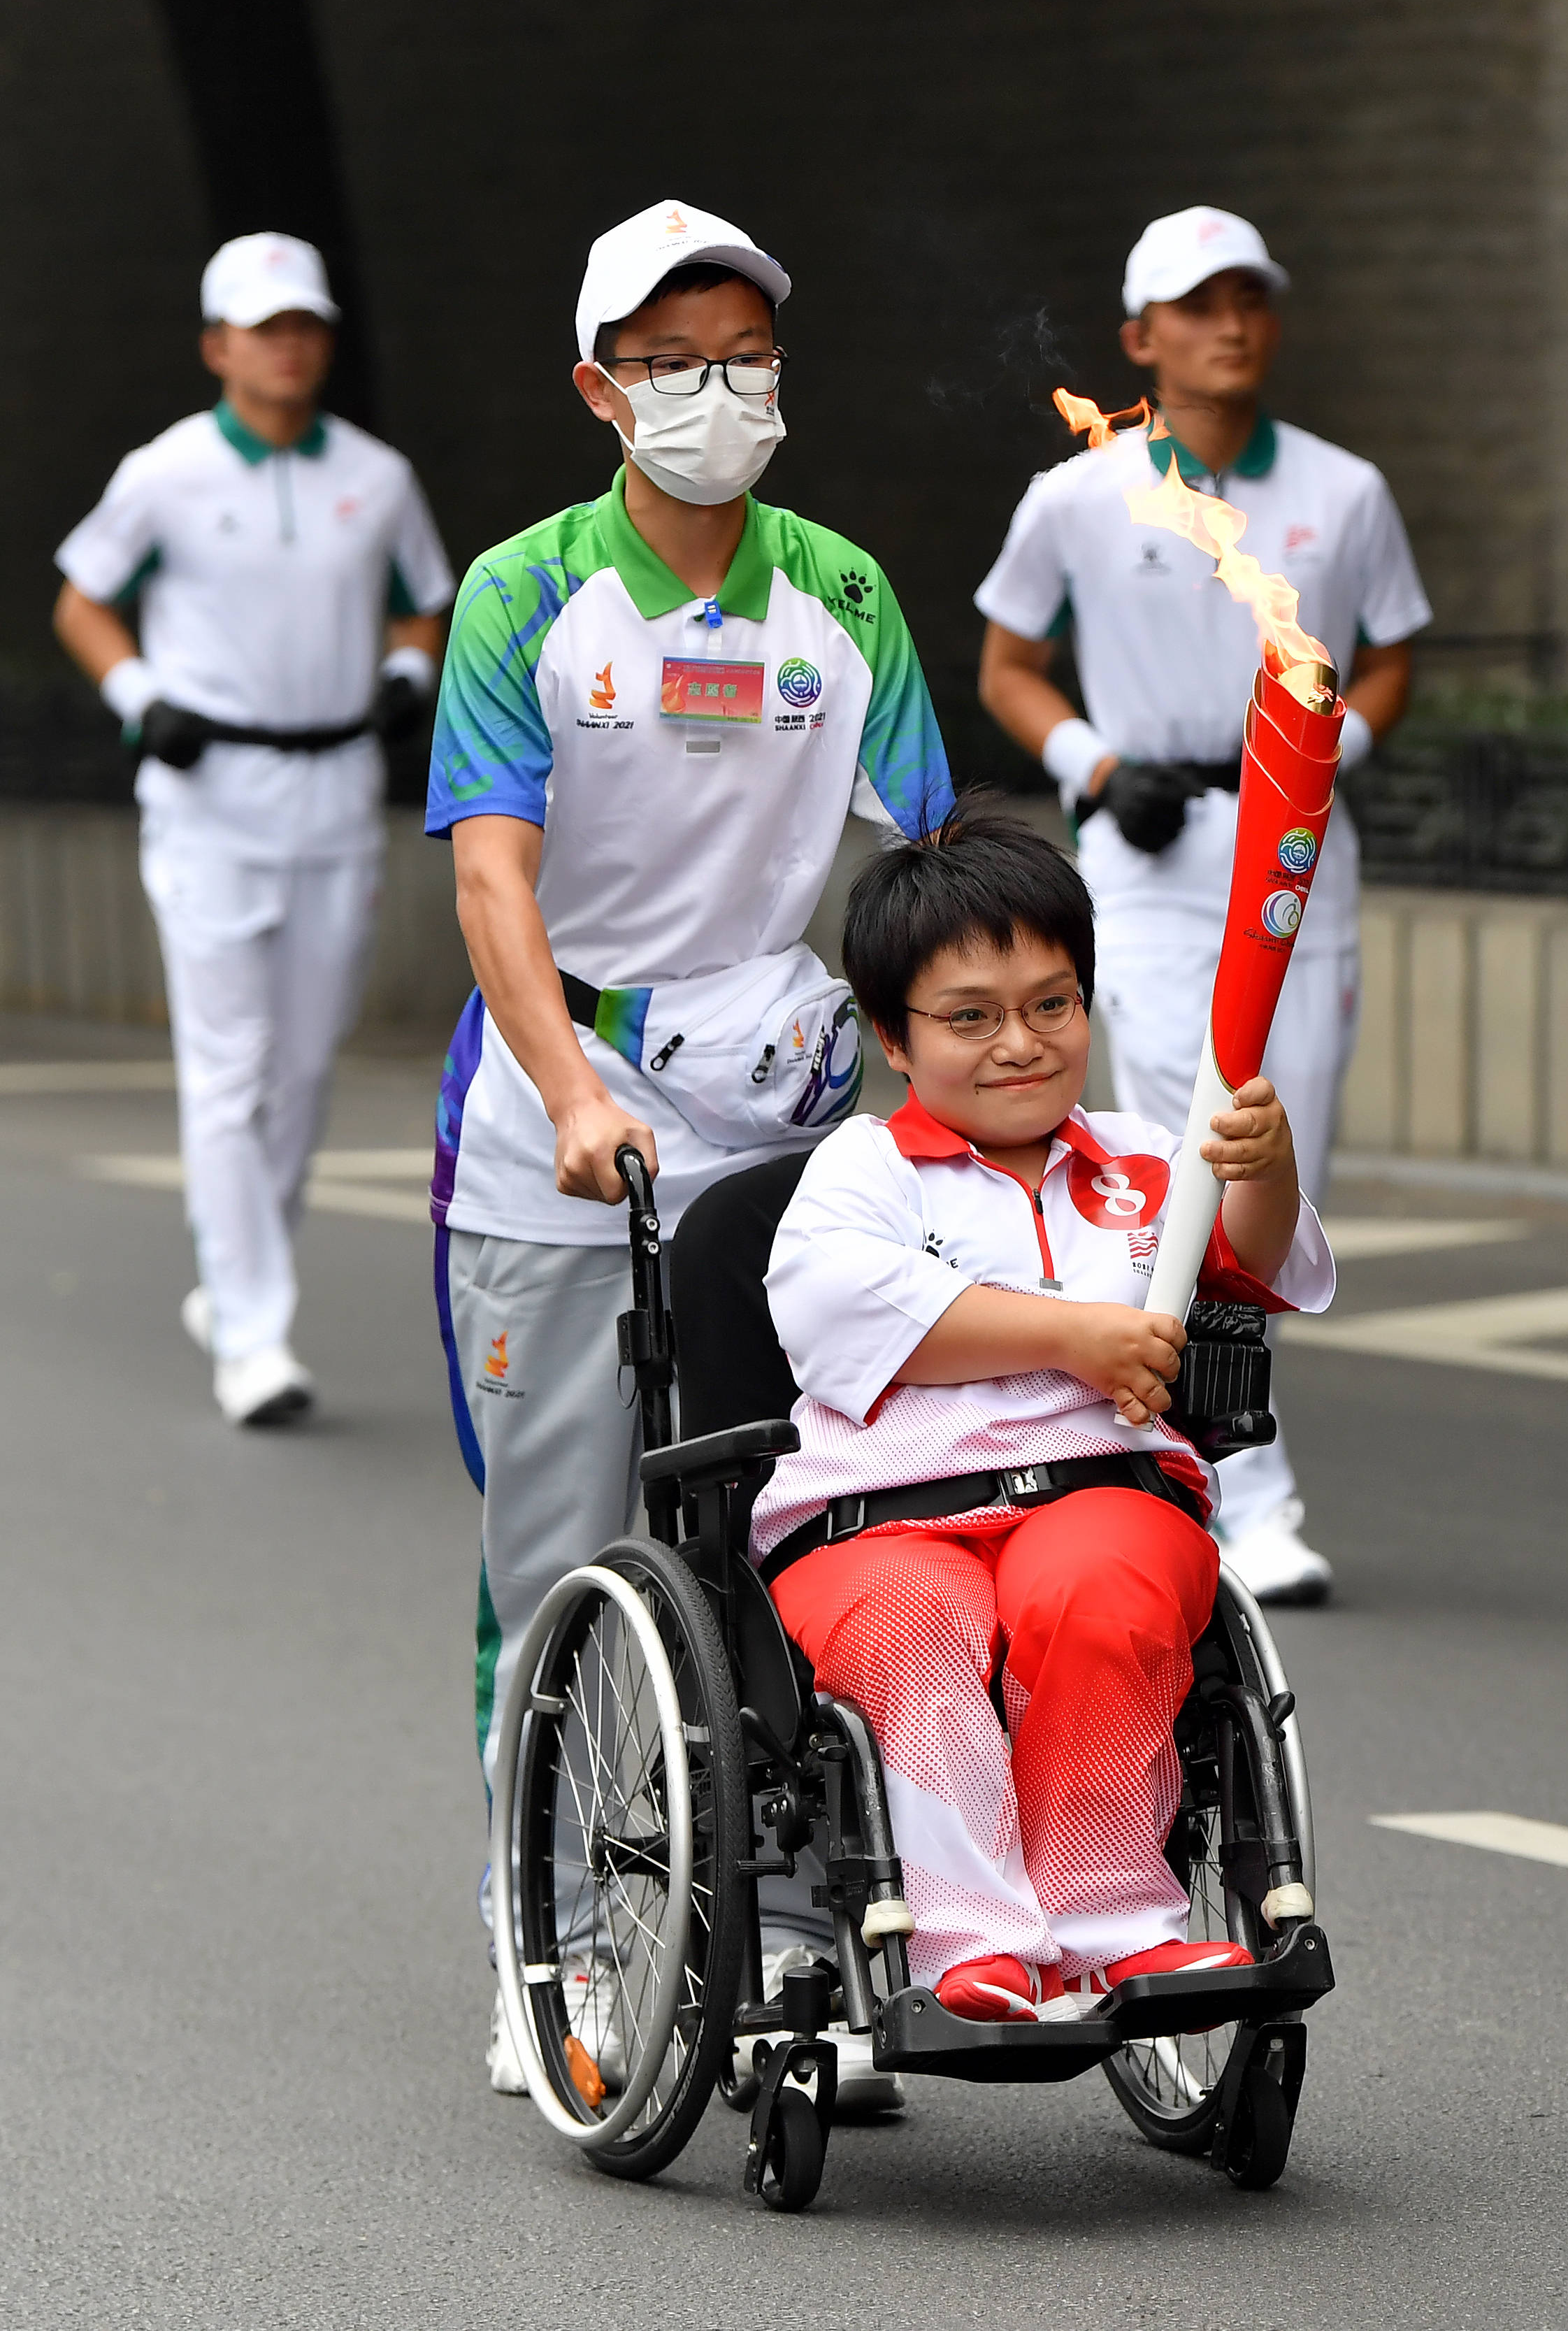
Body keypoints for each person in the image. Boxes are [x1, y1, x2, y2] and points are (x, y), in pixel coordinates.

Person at [424, 200, 953, 2092]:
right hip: (560, 1109)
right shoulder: (521, 593)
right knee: (561, 1545)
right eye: (672, 364)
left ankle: (804, 1932)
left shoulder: (850, 593)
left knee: (790, 1526)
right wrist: (572, 1086)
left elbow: (913, 871)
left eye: (744, 359)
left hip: (785, 1106)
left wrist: (942, 1096)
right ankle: (550, 1933)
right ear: (600, 390)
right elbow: (491, 864)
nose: (716, 393)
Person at [748, 805, 1333, 2015]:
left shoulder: (1142, 1164)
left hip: (1096, 1494)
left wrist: (1262, 1162)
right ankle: (970, 1946)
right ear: (893, 1039)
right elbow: (849, 1309)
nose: (1019, 1042)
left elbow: (1259, 1261)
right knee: (914, 1622)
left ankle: (1117, 1921)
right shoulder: (861, 1170)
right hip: (878, 1523)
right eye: (969, 1017)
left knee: (1098, 1590)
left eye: (1051, 1005)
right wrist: (1082, 1335)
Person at [976, 206, 1431, 1605]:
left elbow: (1393, 655)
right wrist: (1095, 767)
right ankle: (1244, 1487)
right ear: (1138, 338)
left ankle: (1203, 1441)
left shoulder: (1345, 492)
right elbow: (1007, 663)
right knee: (1196, 1141)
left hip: (1293, 855)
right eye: (1197, 303)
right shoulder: (1081, 491)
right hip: (1153, 856)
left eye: (1249, 299)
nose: (1229, 323)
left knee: (1280, 1173)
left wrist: (1314, 760)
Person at [52, 231, 454, 1424]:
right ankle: (255, 1334)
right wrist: (140, 701)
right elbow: (82, 597)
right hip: (209, 797)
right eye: (264, 328)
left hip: (331, 794)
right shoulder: (163, 472)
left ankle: (234, 1285)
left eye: (305, 326)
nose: (289, 346)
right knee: (228, 1068)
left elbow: (427, 604)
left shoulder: (377, 477)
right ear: (219, 346)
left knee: (303, 1065)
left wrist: (403, 679)